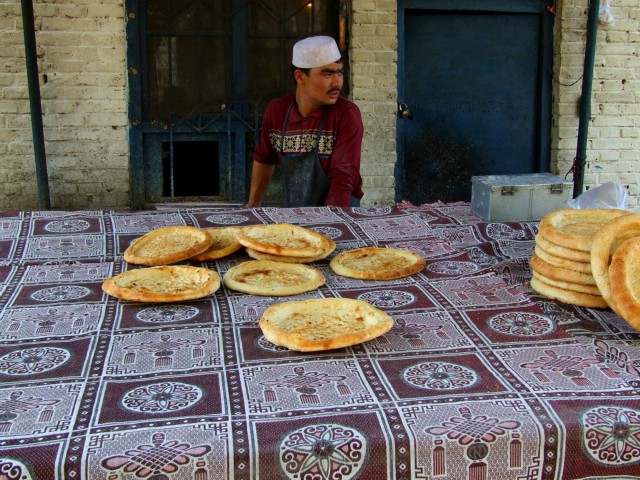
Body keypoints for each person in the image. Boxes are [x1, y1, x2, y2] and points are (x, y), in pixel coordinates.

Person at [247, 35, 364, 208]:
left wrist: (329, 225)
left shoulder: (346, 114)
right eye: (327, 74)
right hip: (296, 210)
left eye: (339, 73)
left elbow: (343, 178)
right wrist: (252, 207)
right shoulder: (277, 111)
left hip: (340, 211)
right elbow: (264, 159)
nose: (337, 83)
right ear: (300, 77)